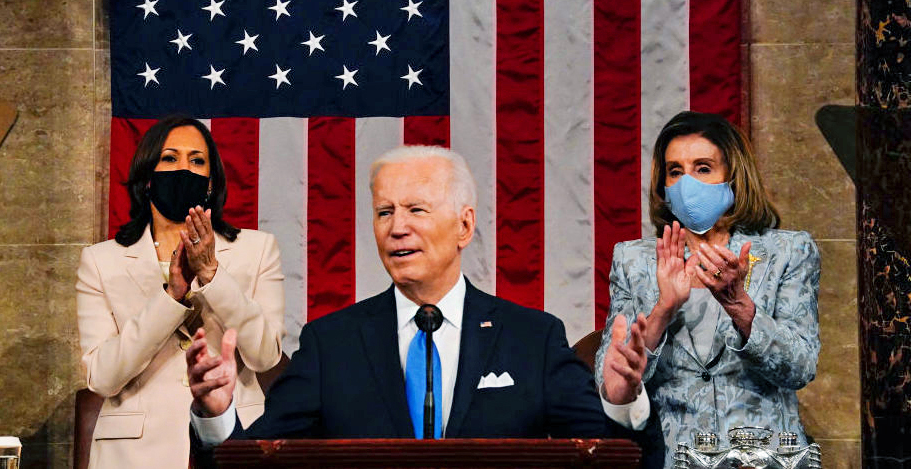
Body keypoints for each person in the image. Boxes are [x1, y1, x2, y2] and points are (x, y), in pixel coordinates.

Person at [186, 145, 665, 468]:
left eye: (416, 210)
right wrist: (217, 415)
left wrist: (624, 405)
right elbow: (251, 462)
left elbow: (615, 460)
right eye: (384, 212)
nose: (397, 227)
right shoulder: (331, 344)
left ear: (464, 226)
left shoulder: (531, 339)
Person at [595, 111, 820, 466]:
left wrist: (741, 308)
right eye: (675, 171)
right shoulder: (633, 260)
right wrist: (663, 310)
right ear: (663, 186)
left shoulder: (788, 252)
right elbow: (612, 388)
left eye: (703, 168)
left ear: (733, 176)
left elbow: (800, 368)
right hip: (674, 457)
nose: (688, 183)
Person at [76, 116, 285, 468]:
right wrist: (171, 297)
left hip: (233, 441)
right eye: (170, 159)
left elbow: (265, 356)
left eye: (197, 160)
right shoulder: (100, 261)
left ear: (209, 182)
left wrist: (212, 274)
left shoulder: (259, 249)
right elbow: (102, 377)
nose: (183, 168)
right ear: (146, 179)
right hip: (133, 455)